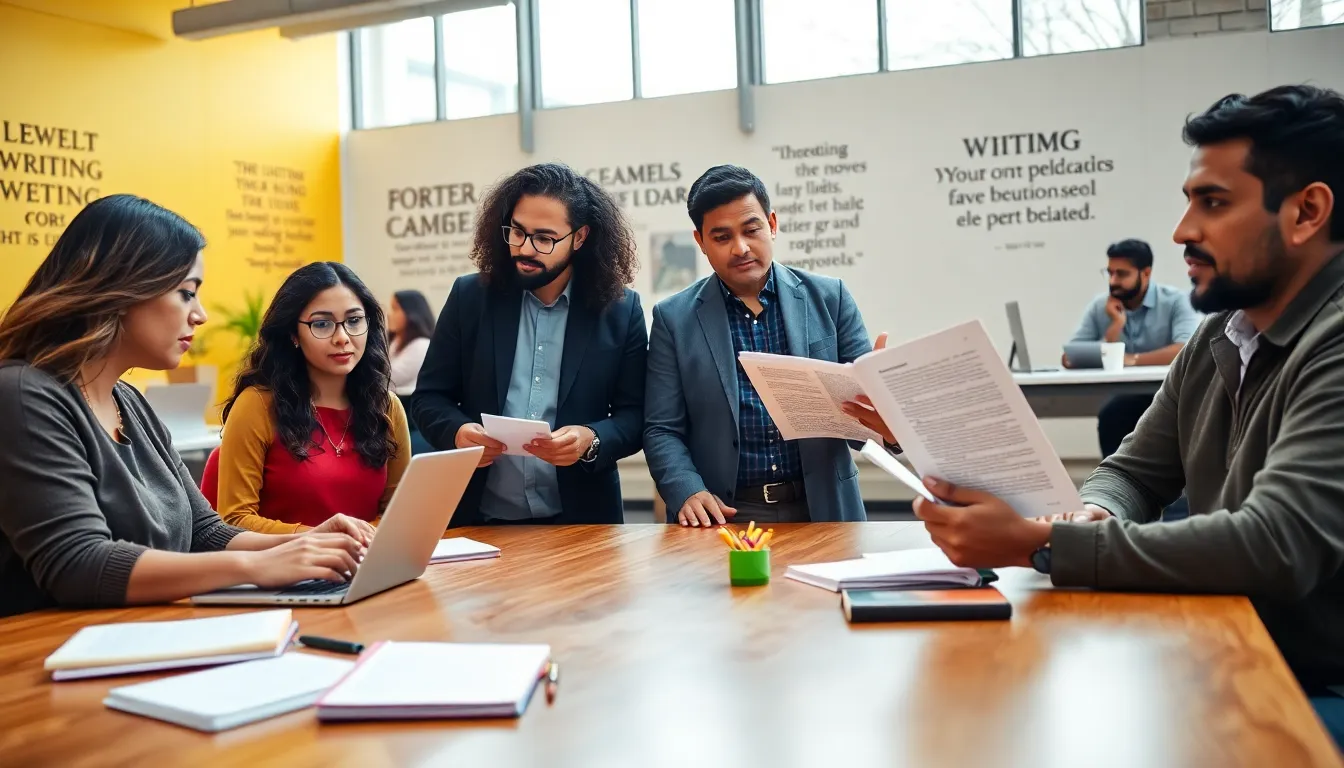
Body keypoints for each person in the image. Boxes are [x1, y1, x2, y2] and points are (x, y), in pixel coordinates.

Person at [852, 85, 1344, 746]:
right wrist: (1095, 513)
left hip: (1316, 683)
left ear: (1307, 212)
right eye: (1189, 201)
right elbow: (1133, 473)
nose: (1182, 232)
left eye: (1214, 203)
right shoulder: (1222, 332)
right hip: (1235, 647)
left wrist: (1041, 543)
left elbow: (1273, 544)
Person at [0, 195, 368, 617]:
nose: (200, 314)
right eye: (186, 293)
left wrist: (307, 543)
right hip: (48, 659)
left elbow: (204, 531)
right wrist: (258, 564)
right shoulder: (23, 395)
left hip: (149, 634)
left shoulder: (130, 403)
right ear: (121, 290)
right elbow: (77, 564)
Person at [644, 164, 881, 527]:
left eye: (751, 230)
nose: (740, 248)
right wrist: (685, 489)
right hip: (724, 513)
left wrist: (885, 407)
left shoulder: (829, 298)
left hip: (824, 506)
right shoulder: (674, 319)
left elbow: (869, 418)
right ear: (700, 241)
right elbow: (661, 427)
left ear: (771, 224)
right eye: (722, 237)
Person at [412, 163, 646, 525]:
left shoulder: (619, 310)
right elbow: (428, 399)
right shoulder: (470, 298)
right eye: (517, 232)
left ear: (580, 238)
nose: (524, 249)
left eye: (544, 238)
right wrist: (458, 432)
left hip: (582, 522)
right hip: (478, 516)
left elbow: (636, 415)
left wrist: (591, 438)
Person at [214, 262, 411, 535]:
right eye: (322, 324)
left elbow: (398, 512)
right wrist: (318, 538)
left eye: (354, 320)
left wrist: (364, 541)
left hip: (365, 566)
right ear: (293, 334)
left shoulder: (386, 406)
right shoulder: (258, 404)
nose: (342, 338)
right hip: (283, 569)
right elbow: (234, 520)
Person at [1065, 238, 1202, 457]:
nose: (1113, 281)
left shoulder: (1176, 301)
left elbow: (1184, 348)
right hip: (1122, 396)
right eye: (1109, 273)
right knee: (1114, 412)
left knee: (1120, 411)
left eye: (1122, 274)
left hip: (1168, 393)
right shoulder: (1102, 306)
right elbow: (1070, 358)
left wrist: (1131, 359)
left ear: (1146, 273)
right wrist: (1114, 328)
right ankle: (1114, 483)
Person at [388, 289, 436, 454]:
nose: (389, 314)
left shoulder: (421, 345)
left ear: (411, 312)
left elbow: (389, 377)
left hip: (410, 418)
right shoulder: (396, 342)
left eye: (395, 309)